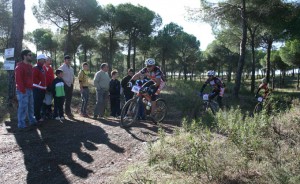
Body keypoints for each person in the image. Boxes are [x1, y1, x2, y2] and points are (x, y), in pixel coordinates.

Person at [15, 49, 37, 131]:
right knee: (23, 107)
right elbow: (18, 80)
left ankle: (32, 120)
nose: (31, 56)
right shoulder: (19, 67)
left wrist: (31, 87)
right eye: (29, 55)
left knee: (31, 106)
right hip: (22, 90)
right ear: (24, 56)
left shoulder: (30, 66)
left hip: (30, 89)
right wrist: (23, 90)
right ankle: (21, 124)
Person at [32, 54, 47, 122]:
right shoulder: (35, 67)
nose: (45, 61)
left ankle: (38, 116)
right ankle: (37, 117)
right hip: (37, 88)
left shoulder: (42, 68)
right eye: (44, 59)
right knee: (37, 103)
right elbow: (33, 78)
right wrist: (40, 84)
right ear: (40, 60)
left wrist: (44, 86)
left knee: (40, 103)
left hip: (42, 88)